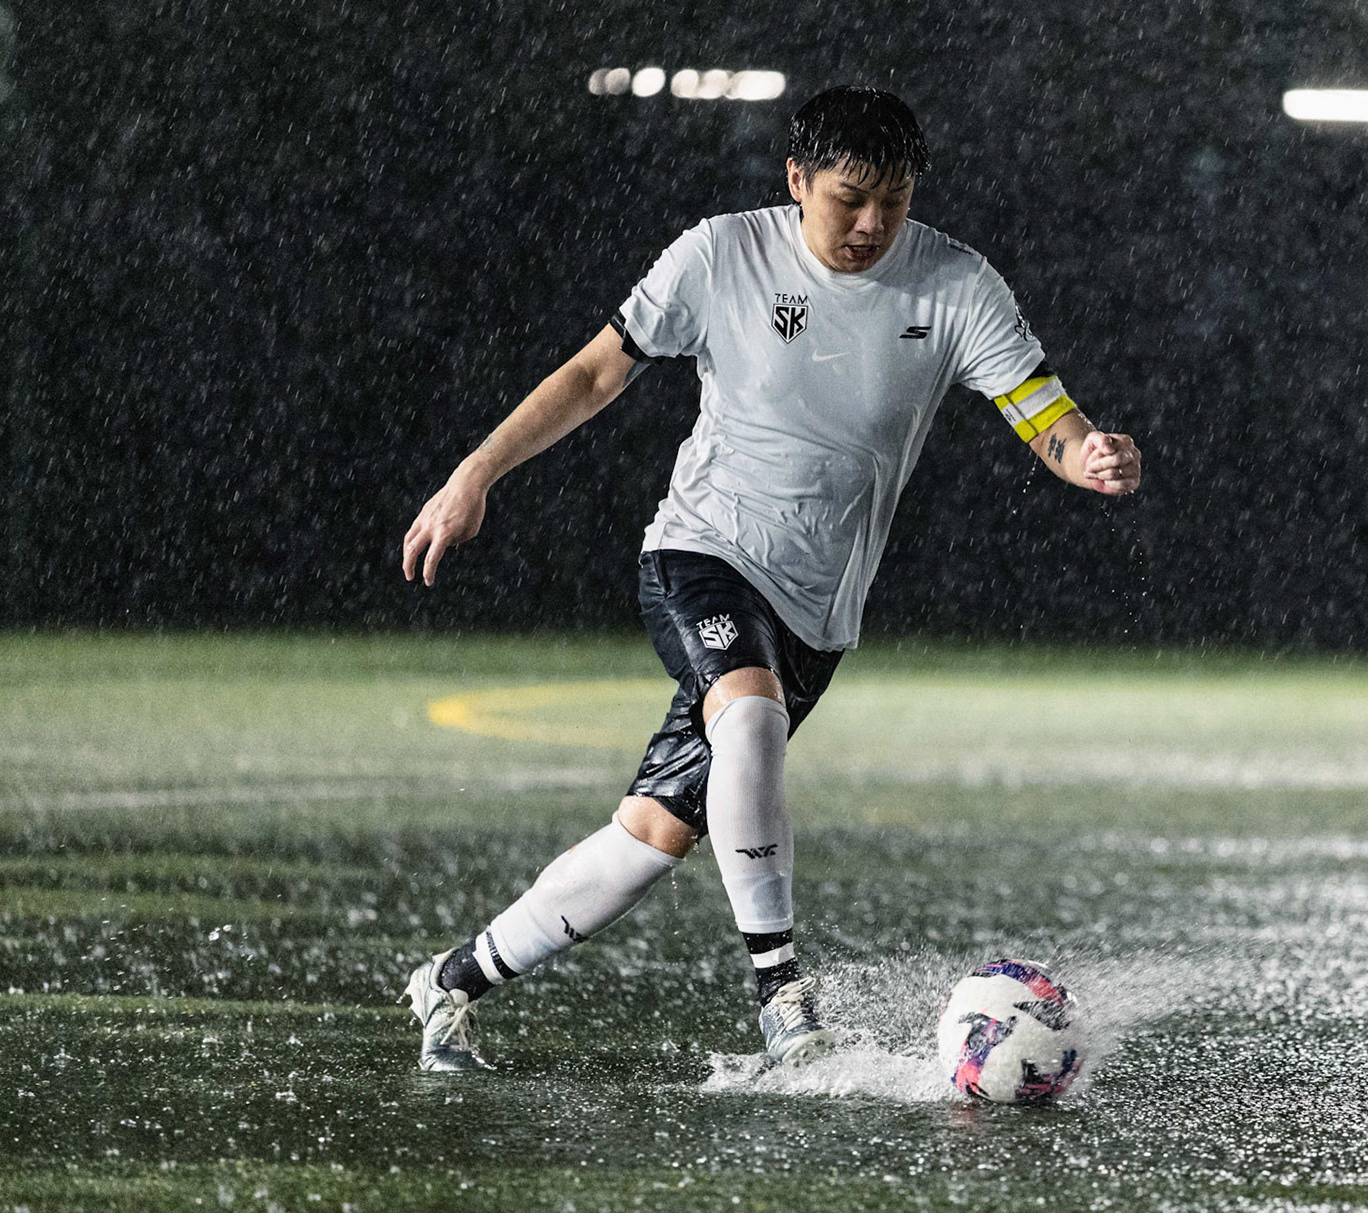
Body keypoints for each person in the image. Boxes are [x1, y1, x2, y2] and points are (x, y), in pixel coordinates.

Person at [396, 85, 1143, 1072]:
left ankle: (454, 979)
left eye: (896, 198)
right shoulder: (719, 256)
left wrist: (1088, 453)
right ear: (796, 181)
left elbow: (1045, 413)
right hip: (701, 554)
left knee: (651, 836)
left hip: (816, 617)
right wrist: (475, 471)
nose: (873, 222)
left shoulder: (957, 286)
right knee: (746, 720)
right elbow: (593, 373)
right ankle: (781, 991)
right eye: (849, 198)